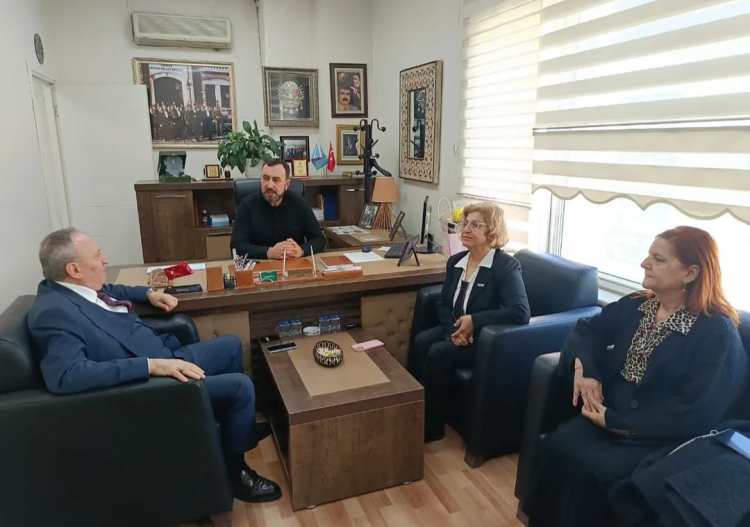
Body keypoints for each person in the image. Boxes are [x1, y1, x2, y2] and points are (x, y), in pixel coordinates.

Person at [27, 228, 282, 504]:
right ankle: (236, 473)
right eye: (97, 255)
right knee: (241, 387)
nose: (105, 259)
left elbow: (112, 290)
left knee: (231, 346)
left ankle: (234, 431)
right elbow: (67, 376)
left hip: (167, 356)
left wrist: (148, 293)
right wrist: (150, 366)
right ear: (74, 269)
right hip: (152, 385)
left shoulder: (75, 289)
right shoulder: (54, 313)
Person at [523, 226, 747, 527]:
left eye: (658, 259)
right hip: (609, 410)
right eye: (648, 255)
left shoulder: (716, 332)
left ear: (690, 273)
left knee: (597, 473)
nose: (644, 263)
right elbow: (587, 331)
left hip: (658, 434)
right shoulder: (639, 304)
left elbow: (698, 412)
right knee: (559, 445)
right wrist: (586, 371)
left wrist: (617, 423)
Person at [407, 202, 531, 441]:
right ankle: (411, 410)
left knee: (439, 352)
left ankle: (430, 428)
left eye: (475, 225)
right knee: (421, 341)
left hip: (485, 339)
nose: (466, 229)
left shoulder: (505, 266)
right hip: (457, 331)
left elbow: (520, 311)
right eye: (465, 223)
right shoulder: (456, 262)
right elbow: (443, 303)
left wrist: (475, 321)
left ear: (492, 231)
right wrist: (452, 332)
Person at [231, 158, 325, 260]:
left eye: (276, 180)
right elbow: (236, 246)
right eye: (265, 178)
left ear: (287, 184)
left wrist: (301, 250)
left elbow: (319, 240)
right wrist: (269, 252)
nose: (270, 185)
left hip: (293, 264)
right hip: (259, 265)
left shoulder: (299, 204)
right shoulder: (247, 205)